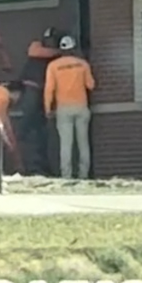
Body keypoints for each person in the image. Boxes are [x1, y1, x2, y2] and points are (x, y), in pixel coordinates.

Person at [45, 36, 96, 179]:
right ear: (73, 48)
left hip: (63, 108)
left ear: (60, 49)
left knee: (66, 144)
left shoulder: (53, 66)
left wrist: (48, 108)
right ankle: (83, 175)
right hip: (81, 107)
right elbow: (91, 85)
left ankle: (66, 175)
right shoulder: (82, 64)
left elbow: (49, 89)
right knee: (83, 143)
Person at [19, 28, 61, 174]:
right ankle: (22, 135)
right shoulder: (38, 48)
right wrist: (58, 52)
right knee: (31, 127)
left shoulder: (52, 60)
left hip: (39, 93)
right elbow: (34, 51)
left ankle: (41, 167)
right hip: (32, 90)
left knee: (40, 131)